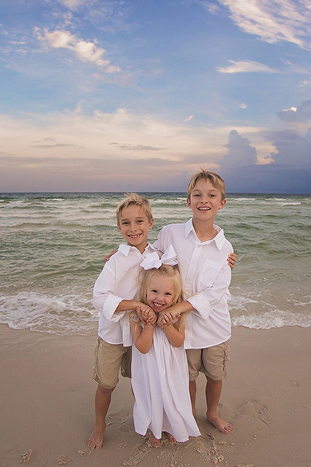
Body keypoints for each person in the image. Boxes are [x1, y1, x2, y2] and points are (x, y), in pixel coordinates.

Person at [153, 169, 234, 434]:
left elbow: (215, 292)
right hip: (182, 328)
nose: (204, 200)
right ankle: (187, 417)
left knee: (215, 375)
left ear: (222, 202)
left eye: (212, 195)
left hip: (214, 327)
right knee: (186, 377)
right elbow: (150, 259)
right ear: (188, 201)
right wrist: (124, 254)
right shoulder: (170, 234)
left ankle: (211, 413)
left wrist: (177, 307)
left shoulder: (226, 249)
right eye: (197, 194)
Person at [88, 193, 158, 449]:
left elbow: (180, 271)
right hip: (113, 334)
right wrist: (136, 305)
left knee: (141, 384)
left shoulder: (158, 255)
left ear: (150, 223)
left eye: (139, 221)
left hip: (141, 334)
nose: (133, 228)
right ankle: (99, 424)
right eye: (126, 223)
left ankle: (150, 424)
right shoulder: (115, 261)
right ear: (119, 227)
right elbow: (99, 298)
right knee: (106, 384)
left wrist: (226, 261)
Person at [129, 248, 201, 447]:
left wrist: (167, 324)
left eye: (167, 294)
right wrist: (150, 324)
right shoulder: (136, 317)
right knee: (152, 395)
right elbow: (143, 348)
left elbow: (178, 342)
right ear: (145, 290)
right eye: (154, 292)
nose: (160, 298)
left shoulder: (176, 315)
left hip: (171, 368)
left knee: (172, 395)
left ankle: (171, 427)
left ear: (175, 296)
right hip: (149, 369)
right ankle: (155, 429)